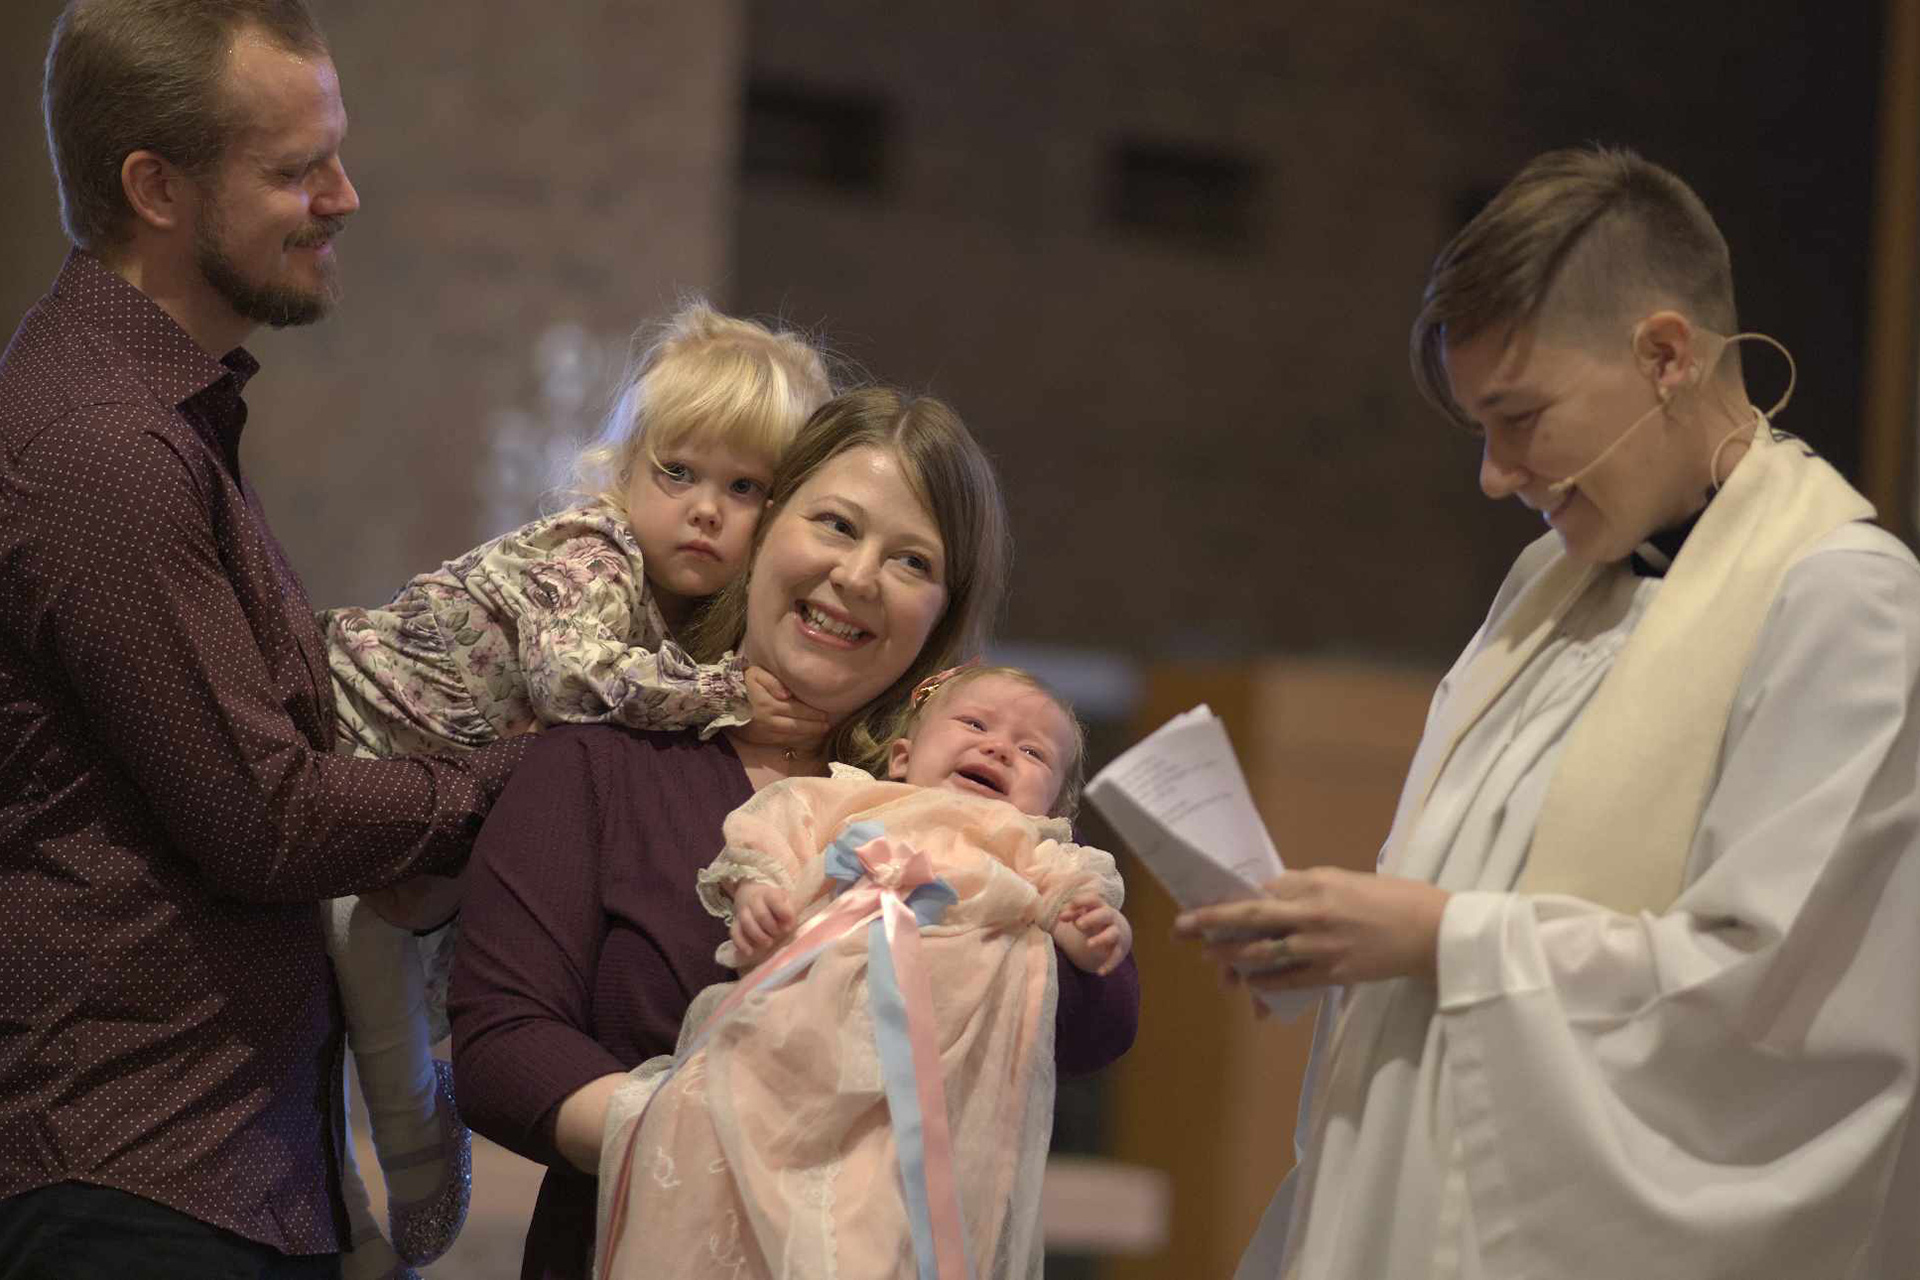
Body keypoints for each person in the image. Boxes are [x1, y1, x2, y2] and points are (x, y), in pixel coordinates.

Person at [1176, 146, 1920, 1279]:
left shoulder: (1842, 603)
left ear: (1666, 353)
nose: (1493, 472)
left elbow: (1771, 1003)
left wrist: (1434, 936)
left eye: (1518, 416)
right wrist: (1350, 943)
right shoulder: (1547, 590)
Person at [0, 2, 528, 1278]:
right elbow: (268, 819)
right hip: (133, 1177)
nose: (344, 196)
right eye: (296, 169)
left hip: (209, 1172)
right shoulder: (99, 446)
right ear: (155, 186)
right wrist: (528, 774)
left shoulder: (155, 424)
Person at [449, 389, 1143, 1280]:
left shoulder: (963, 807)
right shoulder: (595, 768)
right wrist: (702, 1144)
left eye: (910, 561)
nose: (857, 577)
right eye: (836, 525)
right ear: (764, 528)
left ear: (943, 616)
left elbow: (1087, 1033)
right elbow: (504, 1048)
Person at [316, 300, 834, 1276]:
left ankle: (368, 1209)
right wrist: (726, 694)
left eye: (745, 486)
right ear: (625, 468)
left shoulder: (672, 619)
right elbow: (567, 676)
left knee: (379, 979)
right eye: (676, 472)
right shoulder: (593, 553)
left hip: (407, 793)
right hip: (341, 724)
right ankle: (379, 1188)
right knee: (360, 985)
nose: (704, 508)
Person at [596, 664, 1133, 1280]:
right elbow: (770, 832)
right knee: (721, 1155)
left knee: (876, 1229)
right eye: (975, 723)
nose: (998, 747)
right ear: (902, 757)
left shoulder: (1028, 845)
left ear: (1053, 806)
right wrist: (756, 892)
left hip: (940, 1073)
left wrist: (1090, 930)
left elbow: (1075, 898)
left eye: (1033, 751)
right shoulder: (850, 801)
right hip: (799, 1043)